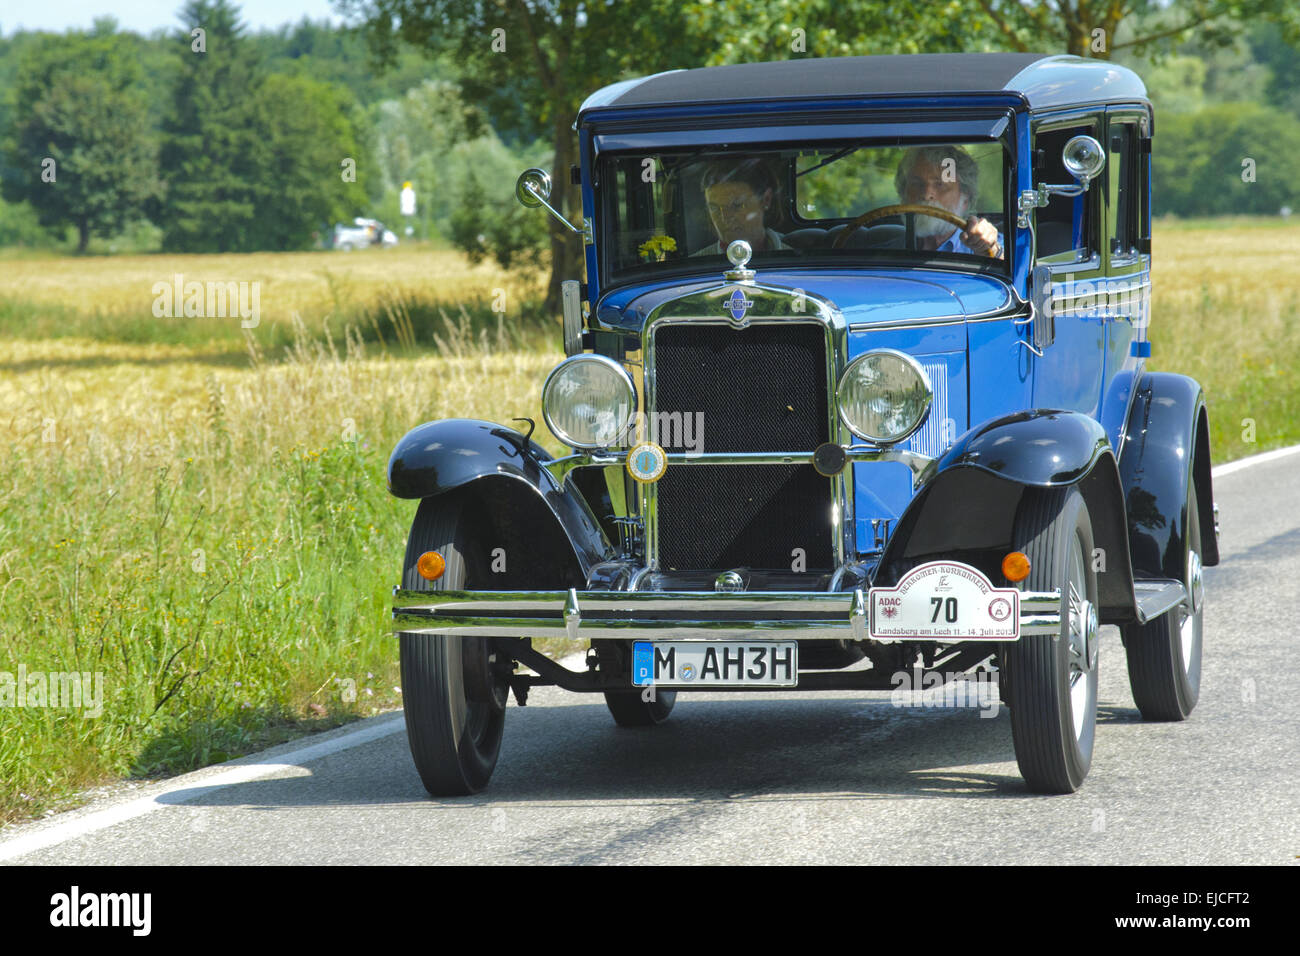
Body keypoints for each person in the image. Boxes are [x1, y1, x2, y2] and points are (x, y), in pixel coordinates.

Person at [893, 146, 1003, 259]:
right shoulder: (883, 253)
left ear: (965, 198)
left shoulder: (992, 245)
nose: (926, 195)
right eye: (916, 183)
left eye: (940, 184)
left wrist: (991, 250)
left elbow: (1011, 266)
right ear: (903, 193)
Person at [691, 158, 788, 257]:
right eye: (714, 208)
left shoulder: (794, 263)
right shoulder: (695, 266)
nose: (725, 218)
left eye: (737, 206)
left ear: (766, 200)